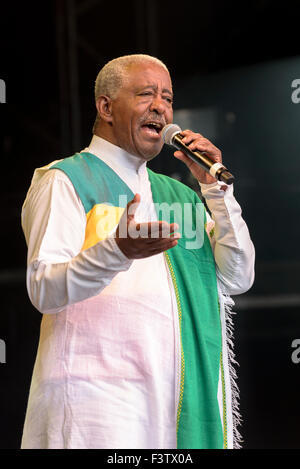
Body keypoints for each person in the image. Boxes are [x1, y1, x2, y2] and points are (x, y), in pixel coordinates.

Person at [21, 54, 255, 449]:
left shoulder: (180, 195)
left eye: (167, 97)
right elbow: (43, 288)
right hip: (96, 407)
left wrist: (216, 190)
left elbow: (238, 276)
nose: (161, 107)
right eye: (146, 94)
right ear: (106, 106)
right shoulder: (64, 179)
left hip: (173, 409)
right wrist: (116, 250)